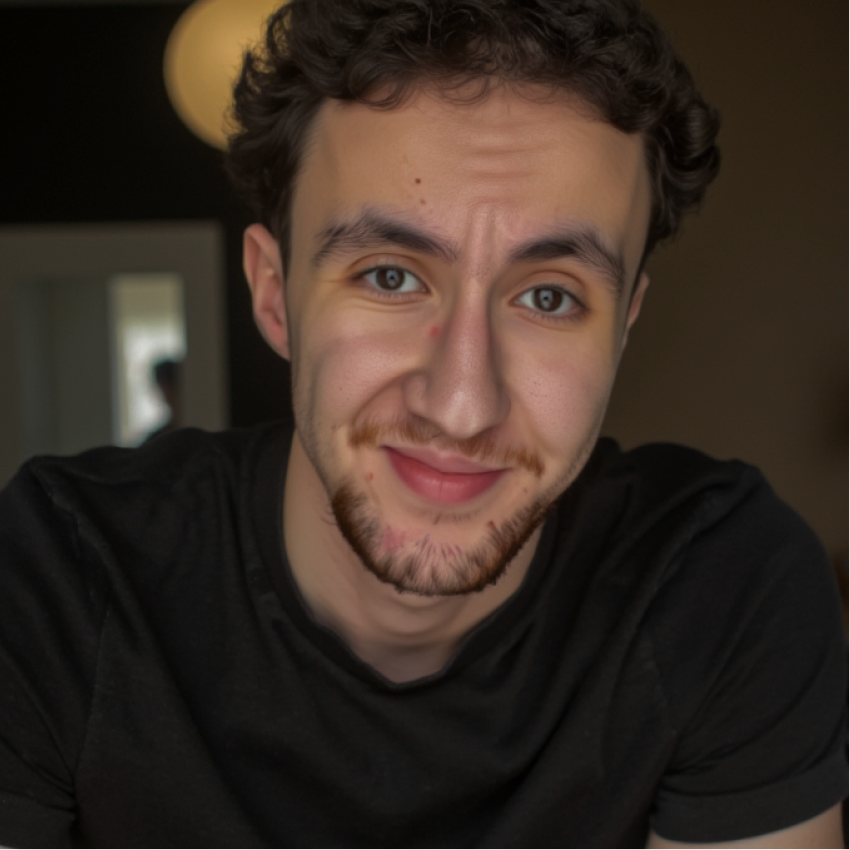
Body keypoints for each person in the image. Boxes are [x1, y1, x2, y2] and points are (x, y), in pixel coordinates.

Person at [0, 0, 846, 847]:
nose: (461, 404)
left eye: (549, 297)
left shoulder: (720, 586)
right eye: (390, 278)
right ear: (273, 294)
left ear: (622, 328)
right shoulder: (52, 579)